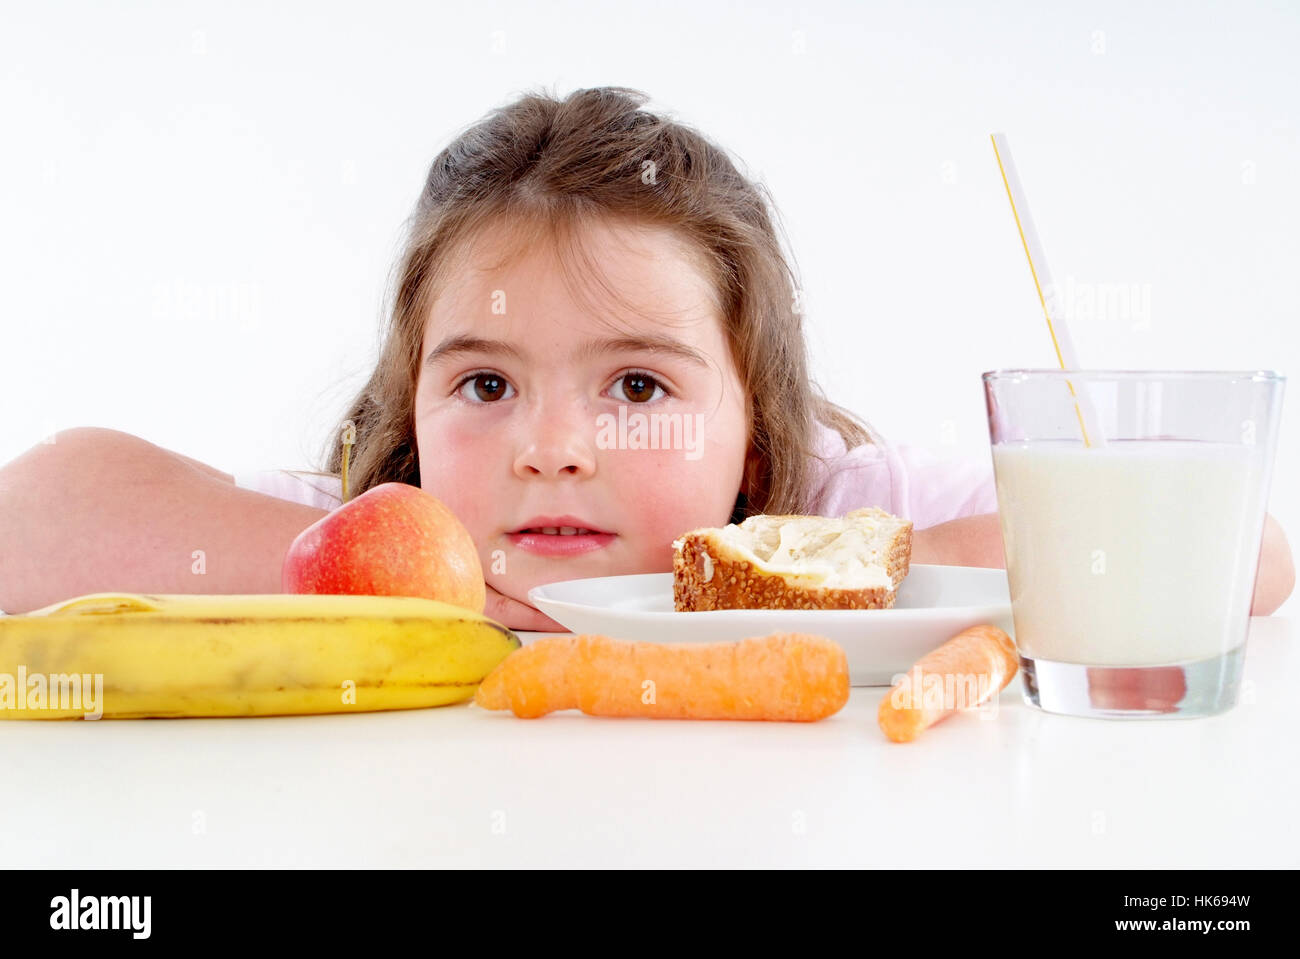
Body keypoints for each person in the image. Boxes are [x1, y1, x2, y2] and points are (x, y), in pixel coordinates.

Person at [0, 86, 1292, 627]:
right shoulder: (374, 533)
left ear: (753, 428)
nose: (553, 446)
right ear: (411, 405)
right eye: (486, 384)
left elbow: (1249, 551)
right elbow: (34, 515)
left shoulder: (834, 509)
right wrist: (415, 586)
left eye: (637, 387)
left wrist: (813, 584)